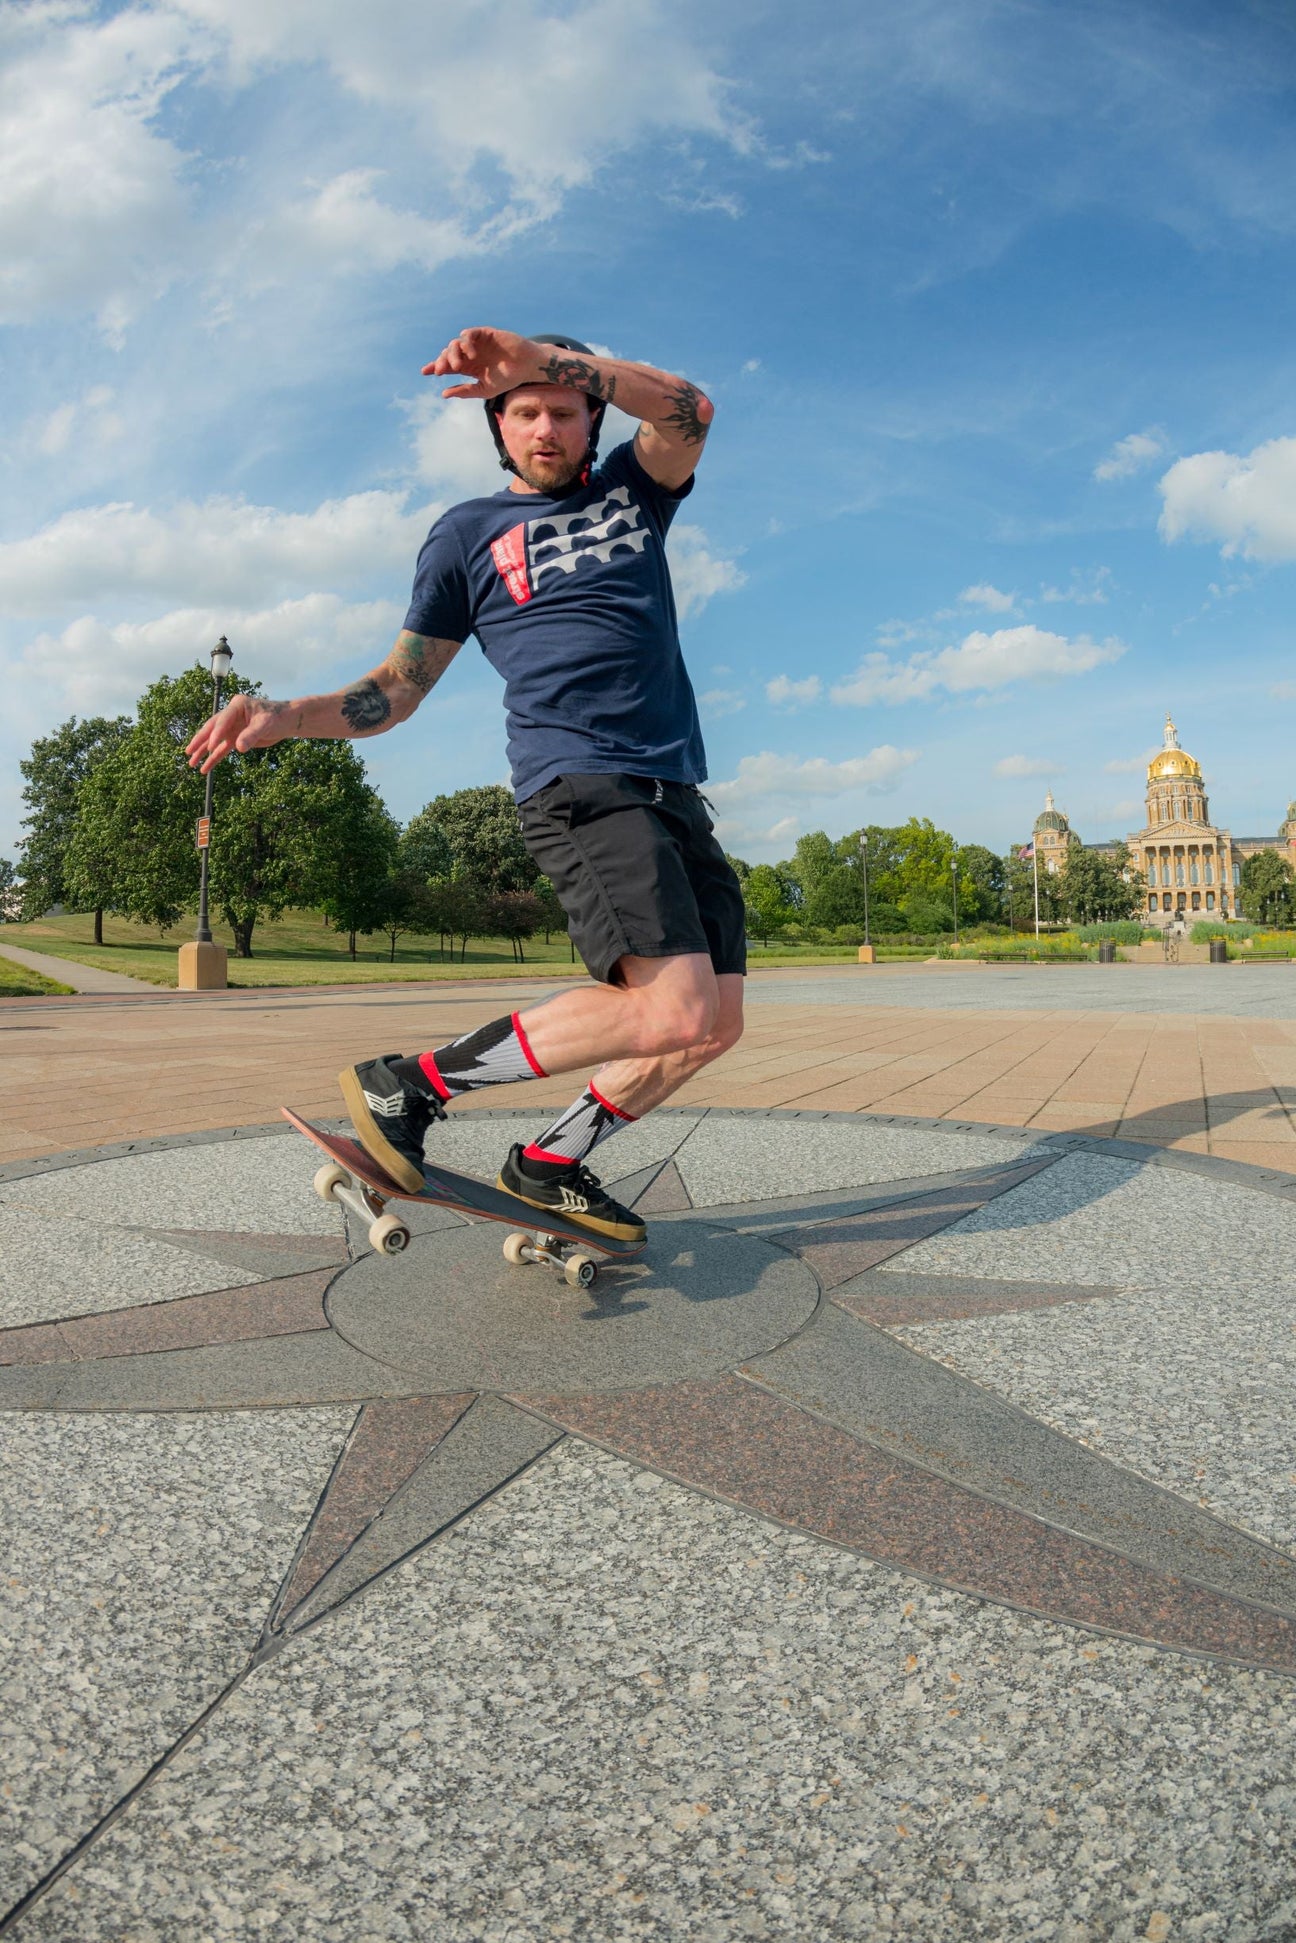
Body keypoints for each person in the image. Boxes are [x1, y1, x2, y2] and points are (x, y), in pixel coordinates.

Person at [187, 327, 746, 1246]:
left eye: (562, 411)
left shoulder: (633, 493)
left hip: (676, 789)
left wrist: (540, 358)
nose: (545, 428)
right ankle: (407, 1085)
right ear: (499, 427)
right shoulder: (465, 535)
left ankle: (551, 1161)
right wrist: (289, 714)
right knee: (673, 1005)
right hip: (581, 780)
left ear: (591, 417)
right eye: (524, 412)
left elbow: (693, 411)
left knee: (711, 1025)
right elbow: (397, 688)